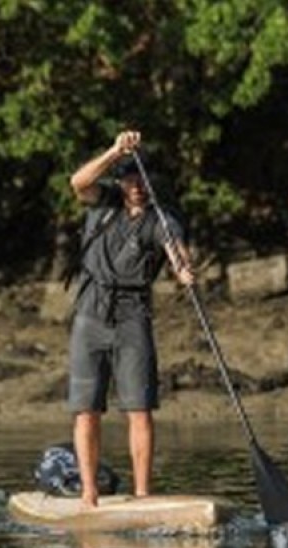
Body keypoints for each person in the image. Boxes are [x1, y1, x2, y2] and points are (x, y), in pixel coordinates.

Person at [68, 129, 195, 508]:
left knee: (139, 408)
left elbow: (175, 247)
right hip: (90, 314)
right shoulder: (102, 200)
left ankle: (142, 494)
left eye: (141, 179)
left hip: (133, 316)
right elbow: (78, 182)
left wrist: (183, 268)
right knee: (86, 409)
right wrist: (115, 151)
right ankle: (89, 493)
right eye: (129, 178)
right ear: (120, 180)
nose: (136, 186)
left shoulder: (162, 218)